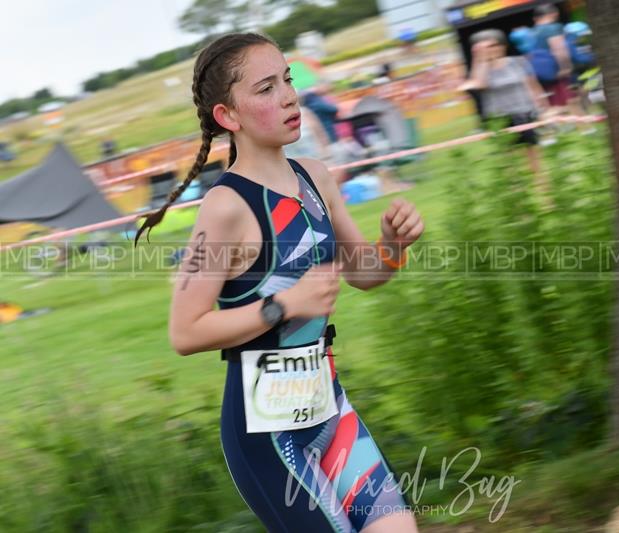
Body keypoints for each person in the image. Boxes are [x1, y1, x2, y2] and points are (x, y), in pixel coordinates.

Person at [134, 32, 423, 533]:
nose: (289, 95)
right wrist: (284, 304)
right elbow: (186, 332)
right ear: (229, 116)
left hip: (330, 409)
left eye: (287, 79)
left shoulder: (316, 177)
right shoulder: (225, 207)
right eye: (266, 88)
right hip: (268, 436)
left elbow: (365, 275)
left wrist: (394, 246)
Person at [467, 29, 551, 194]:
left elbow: (533, 86)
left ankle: (545, 198)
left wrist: (543, 108)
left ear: (501, 46)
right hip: (500, 119)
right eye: (484, 47)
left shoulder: (518, 62)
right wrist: (482, 60)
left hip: (524, 114)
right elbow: (481, 84)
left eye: (493, 45)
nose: (490, 49)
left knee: (535, 162)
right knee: (510, 165)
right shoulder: (479, 69)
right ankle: (520, 203)